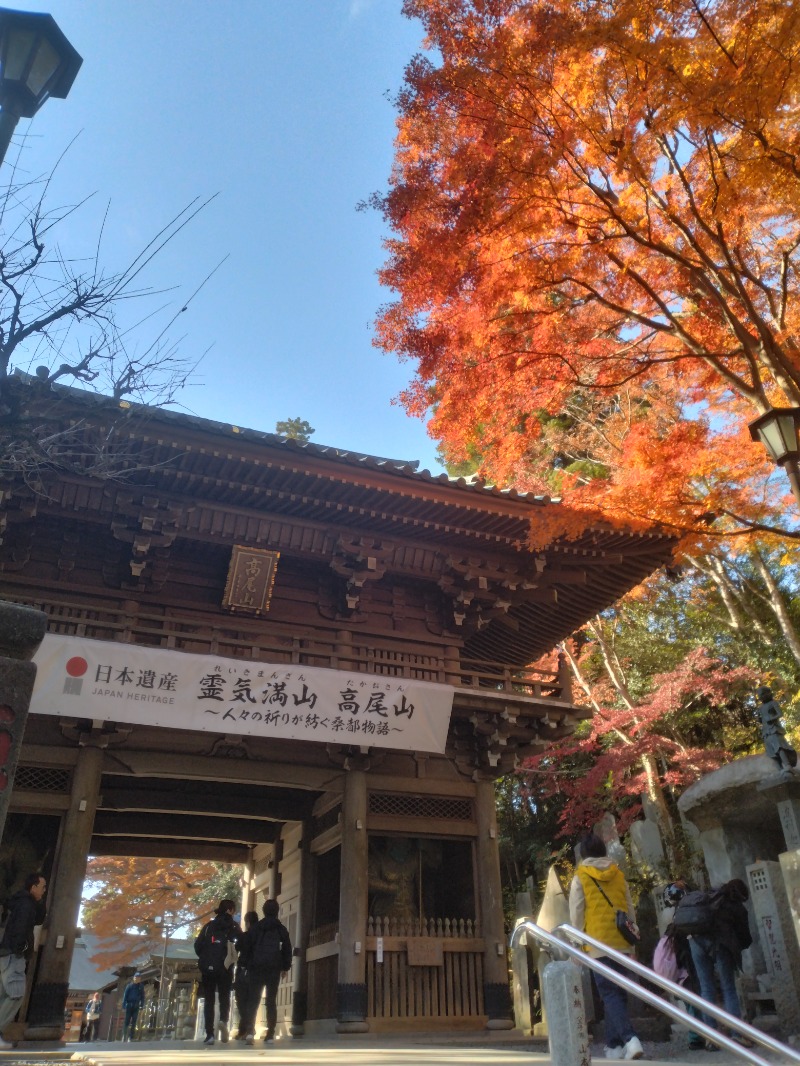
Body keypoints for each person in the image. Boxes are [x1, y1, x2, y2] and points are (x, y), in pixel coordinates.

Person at [569, 833, 644, 1061]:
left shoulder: (581, 876)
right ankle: (614, 1046)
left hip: (597, 943)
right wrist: (633, 941)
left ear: (583, 854)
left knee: (609, 993)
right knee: (618, 994)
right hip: (621, 941)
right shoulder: (618, 874)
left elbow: (577, 913)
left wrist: (576, 944)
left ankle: (631, 1039)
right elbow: (629, 910)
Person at [688, 879, 754, 1049]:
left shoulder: (711, 898)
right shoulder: (736, 907)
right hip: (720, 945)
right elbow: (745, 937)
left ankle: (711, 1036)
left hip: (696, 942)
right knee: (728, 987)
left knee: (706, 988)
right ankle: (736, 1034)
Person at [0, 871, 47, 1050]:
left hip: (6, 955)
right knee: (16, 994)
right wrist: (23, 949)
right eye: (42, 887)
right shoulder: (26, 906)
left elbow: (39, 919)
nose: (44, 891)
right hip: (14, 955)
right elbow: (21, 929)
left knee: (4, 994)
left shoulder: (24, 904)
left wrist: (40, 902)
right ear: (33, 887)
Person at [656, 883, 705, 1051]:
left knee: (690, 1002)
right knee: (698, 999)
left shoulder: (668, 920)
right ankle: (700, 1035)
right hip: (691, 964)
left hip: (678, 967)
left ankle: (696, 1036)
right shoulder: (688, 914)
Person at [242, 898, 292, 1045]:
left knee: (253, 999)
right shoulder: (281, 929)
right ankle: (270, 1033)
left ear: (263, 911)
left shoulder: (256, 928)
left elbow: (247, 948)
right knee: (271, 1001)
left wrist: (245, 965)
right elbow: (287, 950)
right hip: (274, 968)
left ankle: (250, 1031)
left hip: (256, 967)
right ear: (277, 911)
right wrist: (285, 967)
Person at [194, 898, 242, 1046]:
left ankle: (209, 1034)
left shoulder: (209, 926)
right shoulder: (234, 926)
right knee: (224, 997)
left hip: (209, 967)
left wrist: (207, 957)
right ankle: (223, 1020)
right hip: (225, 968)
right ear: (230, 910)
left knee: (209, 1000)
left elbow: (198, 945)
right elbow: (240, 945)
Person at [233, 910, 259, 1040]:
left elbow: (235, 950)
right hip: (258, 972)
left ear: (248, 922)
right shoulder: (262, 936)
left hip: (243, 971)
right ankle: (246, 1029)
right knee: (253, 1002)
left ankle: (246, 1029)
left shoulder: (244, 937)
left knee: (242, 1001)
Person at [122, 972, 144, 1041]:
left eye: (139, 978)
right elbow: (125, 996)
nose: (137, 979)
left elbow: (142, 997)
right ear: (134, 978)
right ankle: (124, 1036)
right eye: (136, 977)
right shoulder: (129, 986)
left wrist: (142, 1005)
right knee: (127, 1021)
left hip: (136, 1005)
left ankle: (131, 1036)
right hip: (129, 1004)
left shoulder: (141, 986)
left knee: (134, 1021)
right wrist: (124, 1005)